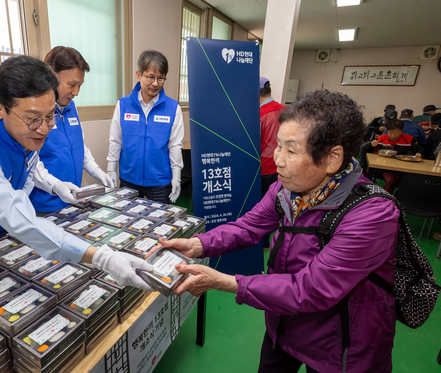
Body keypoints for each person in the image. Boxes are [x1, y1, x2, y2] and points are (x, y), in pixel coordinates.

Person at [150, 90, 399, 372]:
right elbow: (249, 226)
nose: (277, 159)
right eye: (278, 146)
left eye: (290, 150)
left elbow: (311, 289)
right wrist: (199, 244)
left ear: (332, 158)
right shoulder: (286, 188)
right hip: (285, 323)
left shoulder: (372, 213)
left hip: (345, 343)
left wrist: (227, 282)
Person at [0, 55, 153, 290]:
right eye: (34, 119)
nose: (44, 128)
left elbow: (29, 162)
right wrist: (104, 258)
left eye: (49, 116)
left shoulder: (19, 127)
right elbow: (21, 221)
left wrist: (54, 185)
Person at [29, 46, 114, 214]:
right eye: (72, 85)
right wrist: (56, 186)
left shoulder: (70, 107)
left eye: (80, 85)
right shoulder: (35, 111)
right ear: (51, 76)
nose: (76, 92)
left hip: (73, 201)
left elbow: (79, 146)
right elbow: (30, 162)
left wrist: (97, 171)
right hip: (45, 205)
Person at [107, 50, 184, 204]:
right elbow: (116, 140)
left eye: (160, 78)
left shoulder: (173, 108)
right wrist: (110, 170)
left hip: (159, 182)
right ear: (139, 75)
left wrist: (176, 177)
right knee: (127, 223)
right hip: (129, 179)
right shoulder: (124, 105)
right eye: (150, 77)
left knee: (160, 223)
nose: (155, 83)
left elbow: (175, 145)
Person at [259, 76, 285, 249]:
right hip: (283, 167)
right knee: (276, 203)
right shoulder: (286, 110)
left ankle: (260, 242)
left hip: (263, 167)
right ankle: (269, 242)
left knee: (260, 206)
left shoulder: (259, 114)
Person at [362, 119, 422, 193]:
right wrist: (371, 145)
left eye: (396, 133)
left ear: (402, 130)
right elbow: (366, 150)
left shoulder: (409, 139)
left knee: (394, 180)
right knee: (363, 173)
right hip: (380, 165)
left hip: (396, 167)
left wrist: (419, 153)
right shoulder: (381, 138)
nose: (393, 136)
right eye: (390, 133)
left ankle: (385, 197)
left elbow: (419, 149)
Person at [358, 108, 397, 172]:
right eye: (387, 120)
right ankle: (363, 168)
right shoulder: (377, 120)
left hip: (389, 145)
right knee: (364, 147)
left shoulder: (397, 125)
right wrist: (378, 129)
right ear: (384, 117)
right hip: (375, 141)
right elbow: (368, 128)